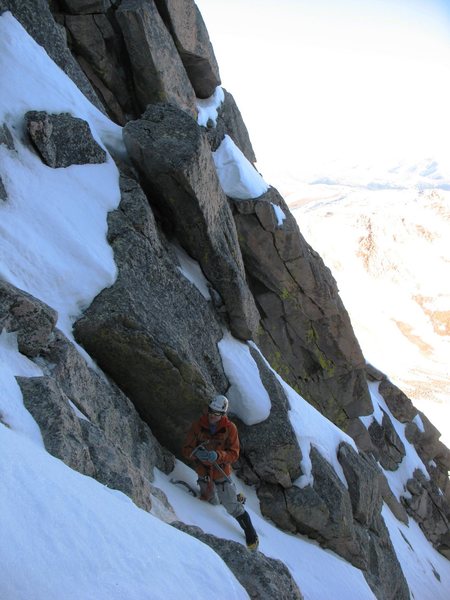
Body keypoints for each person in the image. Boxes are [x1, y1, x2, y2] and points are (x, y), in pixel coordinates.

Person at [182, 394, 259, 550]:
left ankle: (251, 534)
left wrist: (218, 455)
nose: (212, 416)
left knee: (232, 507)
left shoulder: (230, 429)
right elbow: (186, 449)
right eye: (211, 411)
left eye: (216, 413)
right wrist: (196, 453)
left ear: (223, 414)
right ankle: (233, 496)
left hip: (220, 473)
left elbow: (234, 454)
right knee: (213, 500)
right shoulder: (198, 425)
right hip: (203, 472)